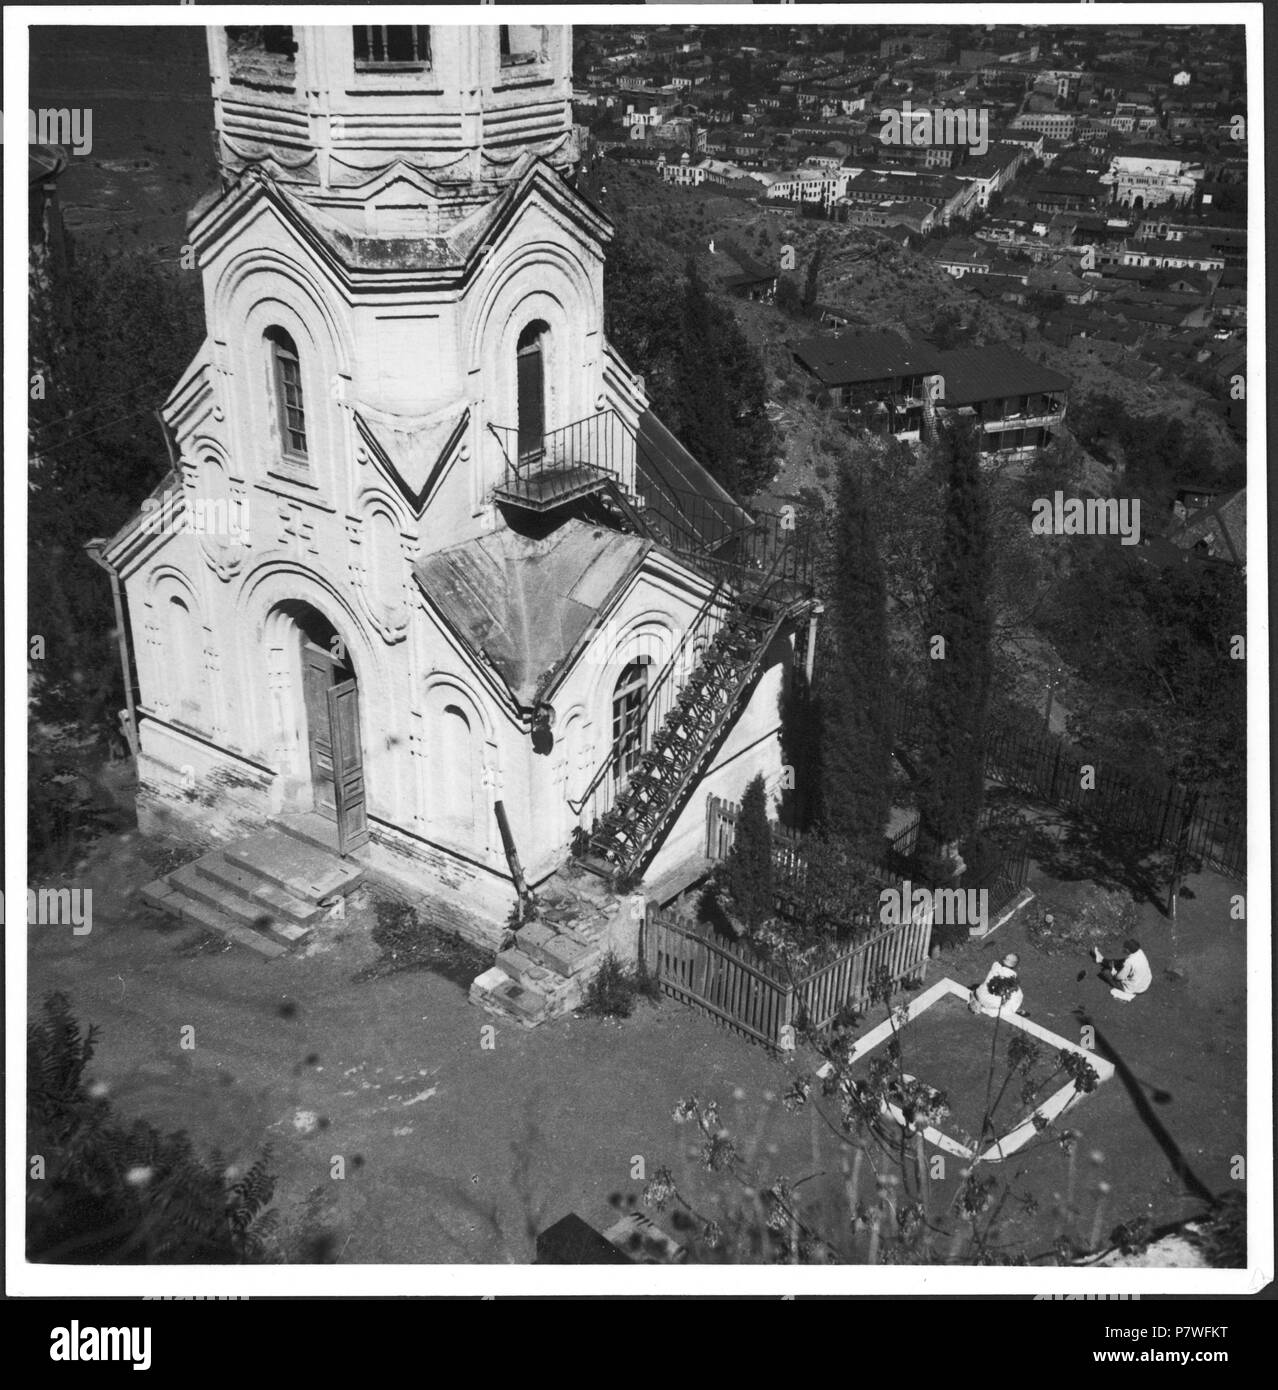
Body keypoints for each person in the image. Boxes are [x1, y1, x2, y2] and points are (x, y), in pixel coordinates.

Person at [1092, 938, 1152, 1002]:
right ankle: (1102, 960)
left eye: (1124, 948)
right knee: (1121, 962)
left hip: (1133, 988)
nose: (1123, 948)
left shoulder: (1129, 962)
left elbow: (1119, 977)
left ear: (1128, 950)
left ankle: (1102, 960)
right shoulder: (1140, 952)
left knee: (1105, 972)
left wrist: (1113, 972)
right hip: (1145, 983)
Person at [969, 952, 1024, 1017]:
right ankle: (1016, 1009)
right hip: (989, 1003)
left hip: (980, 995)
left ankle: (976, 1001)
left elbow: (1000, 963)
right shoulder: (1012, 976)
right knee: (1015, 996)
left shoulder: (995, 966)